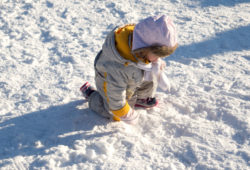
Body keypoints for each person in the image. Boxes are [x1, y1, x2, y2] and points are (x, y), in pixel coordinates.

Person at [80, 15, 178, 124]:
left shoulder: (141, 45)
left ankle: (141, 98)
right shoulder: (117, 66)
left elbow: (150, 65)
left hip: (133, 77)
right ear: (144, 48)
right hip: (109, 81)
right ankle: (92, 96)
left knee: (150, 76)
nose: (158, 59)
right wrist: (124, 112)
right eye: (157, 55)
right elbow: (115, 95)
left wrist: (156, 66)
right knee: (113, 112)